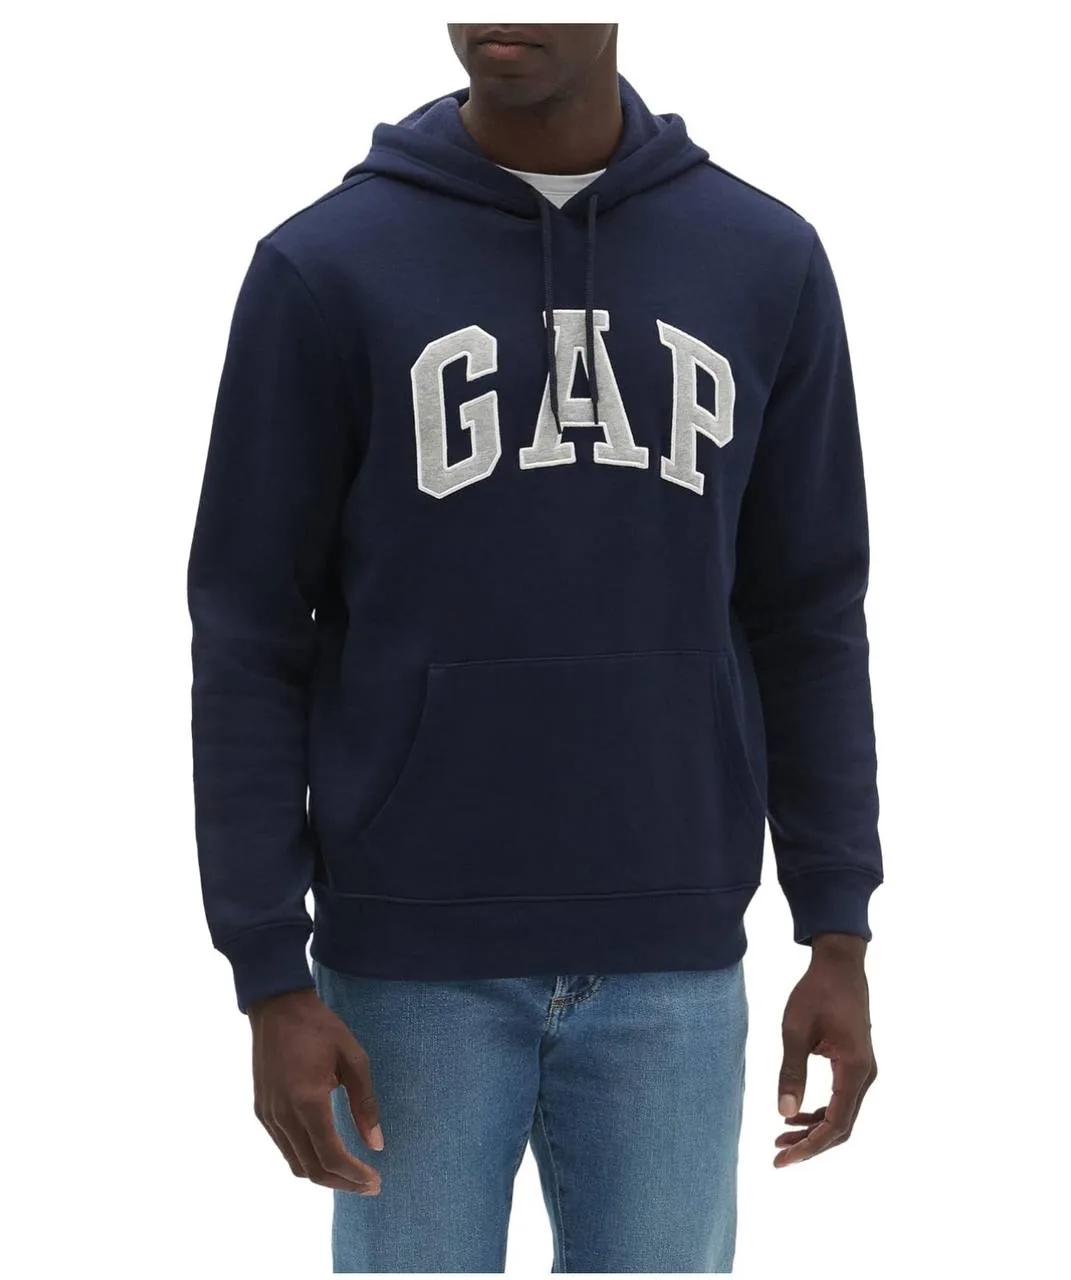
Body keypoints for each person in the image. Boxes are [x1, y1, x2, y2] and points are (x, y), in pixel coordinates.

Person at [186, 22, 882, 1274]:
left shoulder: (763, 259)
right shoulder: (323, 267)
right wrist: (266, 968)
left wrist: (838, 927)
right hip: (409, 965)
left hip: (673, 953)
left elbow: (810, 613)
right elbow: (247, 631)